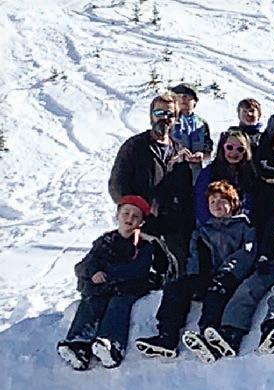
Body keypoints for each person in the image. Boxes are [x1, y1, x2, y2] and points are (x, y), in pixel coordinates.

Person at [135, 181, 257, 363]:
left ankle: (209, 332)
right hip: (208, 275)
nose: (217, 205)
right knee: (176, 288)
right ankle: (167, 337)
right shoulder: (202, 232)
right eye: (212, 201)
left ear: (233, 204)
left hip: (232, 276)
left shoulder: (244, 228)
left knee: (216, 290)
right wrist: (194, 277)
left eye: (222, 201)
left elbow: (246, 254)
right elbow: (195, 257)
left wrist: (227, 271)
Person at [203, 176, 274, 357]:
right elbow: (267, 245)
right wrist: (264, 259)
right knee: (247, 289)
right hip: (273, 265)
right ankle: (231, 331)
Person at [57, 196, 154, 370]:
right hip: (103, 288)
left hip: (128, 288)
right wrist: (93, 272)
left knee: (118, 305)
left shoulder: (144, 245)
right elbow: (85, 264)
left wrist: (109, 275)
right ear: (117, 215)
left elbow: (138, 269)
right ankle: (78, 344)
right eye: (126, 213)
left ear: (141, 222)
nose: (129, 218)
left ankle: (112, 345)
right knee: (91, 302)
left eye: (135, 216)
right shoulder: (105, 241)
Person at [108, 93, 193, 278]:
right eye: (159, 113)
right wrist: (134, 214)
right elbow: (117, 185)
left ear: (176, 119)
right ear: (151, 115)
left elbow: (187, 193)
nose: (164, 118)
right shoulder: (135, 147)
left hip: (172, 227)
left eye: (170, 114)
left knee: (177, 275)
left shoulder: (180, 151)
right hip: (140, 225)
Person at [194, 127, 257, 226]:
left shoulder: (251, 175)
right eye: (230, 147)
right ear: (222, 147)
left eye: (240, 149)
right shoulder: (208, 173)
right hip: (212, 229)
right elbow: (201, 207)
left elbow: (253, 206)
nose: (234, 152)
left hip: (243, 228)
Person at [170, 83, 214, 183]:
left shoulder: (202, 124)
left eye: (186, 96)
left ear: (195, 101)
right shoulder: (169, 120)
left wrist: (202, 155)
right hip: (173, 173)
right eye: (179, 96)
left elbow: (208, 149)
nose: (183, 99)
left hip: (196, 174)